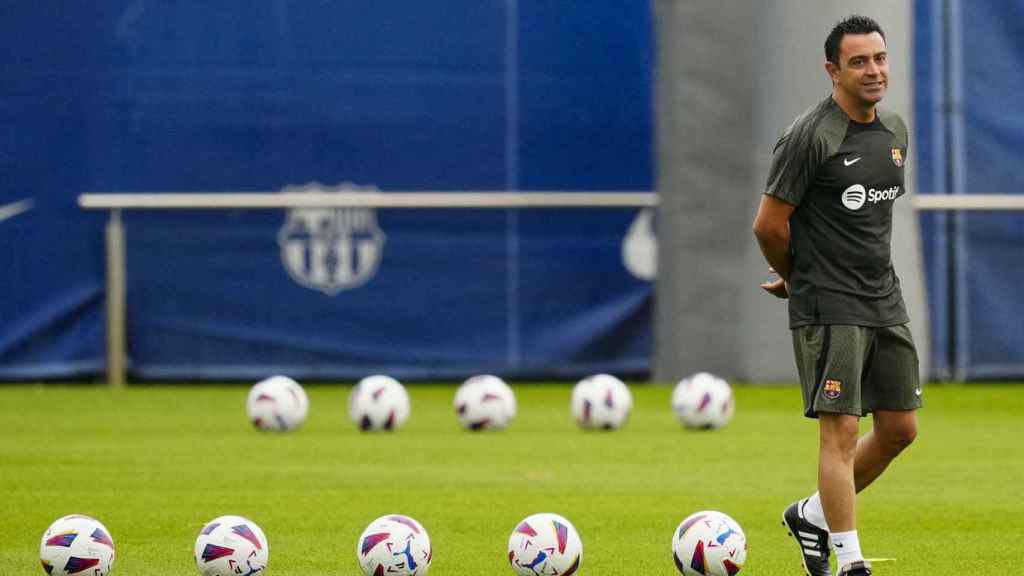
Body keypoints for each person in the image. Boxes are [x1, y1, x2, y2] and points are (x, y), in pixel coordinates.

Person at [751, 14, 921, 576]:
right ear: (832, 70)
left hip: (883, 299)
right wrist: (799, 278)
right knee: (842, 428)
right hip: (829, 303)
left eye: (880, 58)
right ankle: (849, 562)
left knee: (900, 429)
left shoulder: (894, 131)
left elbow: (865, 222)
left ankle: (810, 515)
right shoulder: (809, 136)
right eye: (858, 61)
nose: (873, 71)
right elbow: (769, 225)